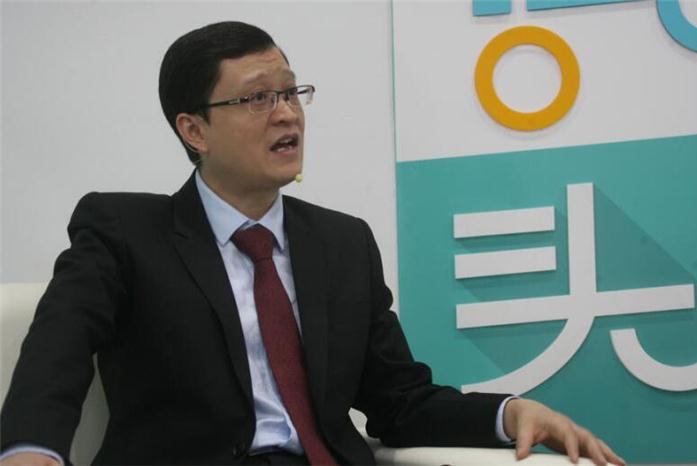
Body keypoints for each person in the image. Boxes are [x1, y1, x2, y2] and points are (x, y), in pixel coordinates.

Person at [0, 22, 625, 466]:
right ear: (194, 130)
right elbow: (57, 350)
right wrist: (31, 450)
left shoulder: (341, 242)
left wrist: (508, 414)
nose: (287, 114)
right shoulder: (124, 230)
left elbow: (399, 402)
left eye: (291, 92)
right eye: (257, 98)